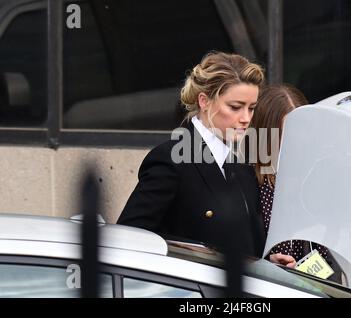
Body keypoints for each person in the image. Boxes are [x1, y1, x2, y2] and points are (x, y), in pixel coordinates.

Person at [117, 52, 293, 266]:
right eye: (235, 107)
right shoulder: (171, 160)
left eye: (252, 108)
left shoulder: (242, 165)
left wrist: (267, 263)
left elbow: (243, 243)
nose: (246, 118)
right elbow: (128, 238)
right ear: (204, 101)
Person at [250, 84, 333, 265]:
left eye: (302, 130)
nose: (297, 140)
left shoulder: (309, 177)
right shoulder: (247, 180)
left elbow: (322, 251)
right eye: (287, 132)